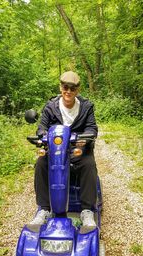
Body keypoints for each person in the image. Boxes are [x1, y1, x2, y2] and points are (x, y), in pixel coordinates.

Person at [30, 71, 98, 227]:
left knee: (88, 164)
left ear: (78, 90)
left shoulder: (86, 107)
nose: (68, 91)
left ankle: (87, 210)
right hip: (55, 151)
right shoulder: (50, 106)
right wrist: (43, 137)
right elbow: (41, 127)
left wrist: (83, 139)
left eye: (72, 88)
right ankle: (44, 209)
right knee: (41, 163)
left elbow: (92, 128)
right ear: (60, 87)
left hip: (76, 151)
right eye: (65, 87)